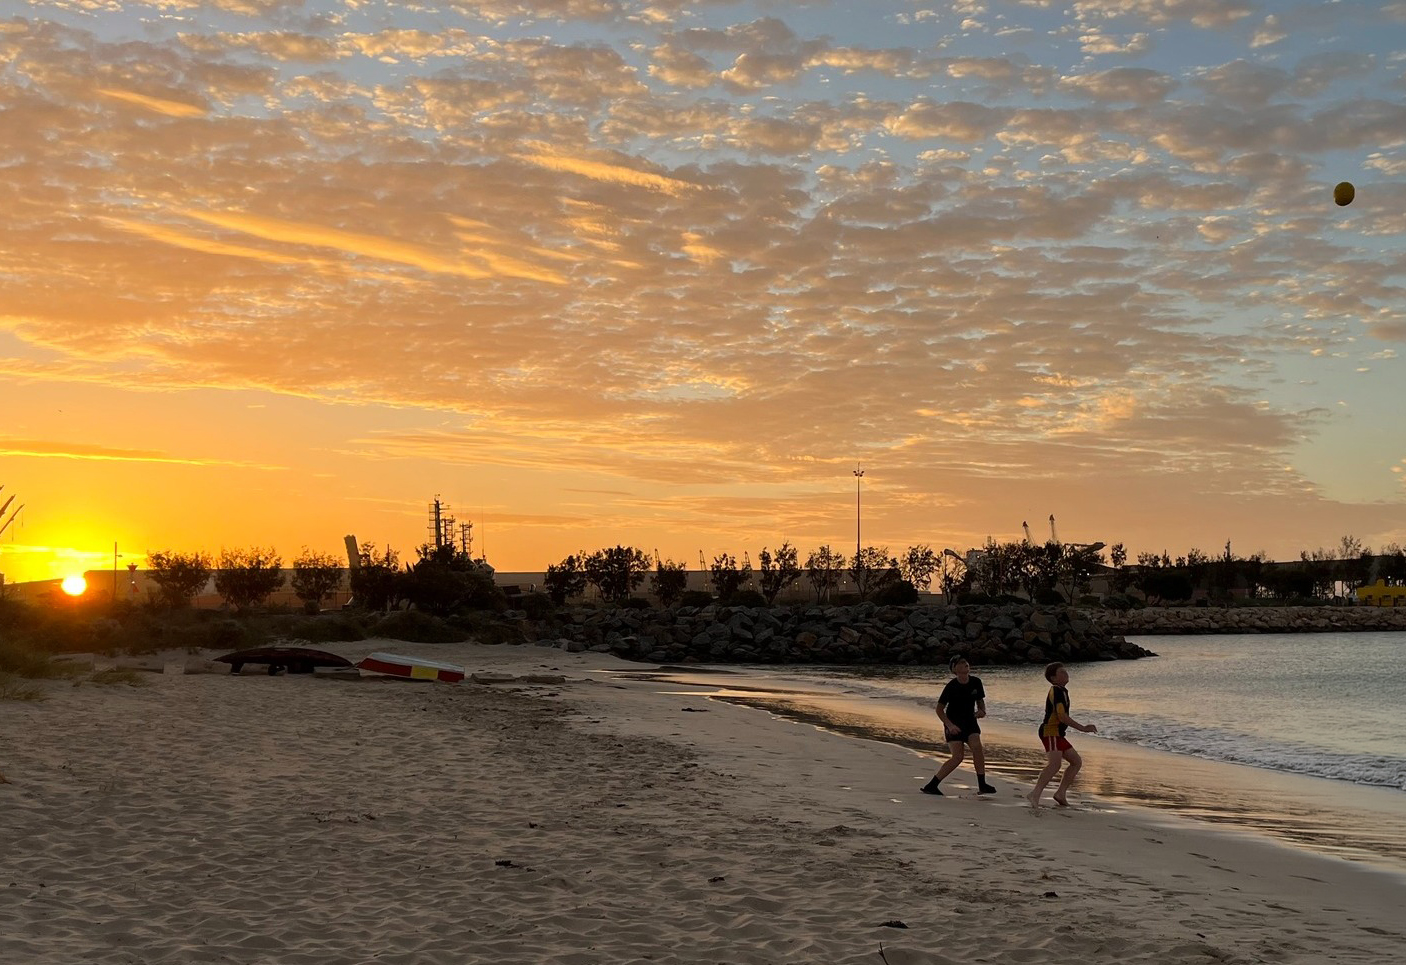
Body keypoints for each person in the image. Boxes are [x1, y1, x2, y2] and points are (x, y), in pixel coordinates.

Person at [920, 655, 997, 796]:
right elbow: (939, 709)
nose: (965, 664)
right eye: (960, 663)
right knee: (957, 757)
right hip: (953, 723)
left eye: (966, 663)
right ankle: (932, 785)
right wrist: (949, 726)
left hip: (970, 722)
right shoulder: (951, 686)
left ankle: (982, 785)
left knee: (977, 748)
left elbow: (980, 701)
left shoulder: (976, 682)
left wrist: (982, 711)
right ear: (954, 669)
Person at [1027, 661, 1097, 809]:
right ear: (1053, 678)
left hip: (1058, 734)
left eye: (1066, 671)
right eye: (1062, 672)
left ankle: (1060, 793)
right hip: (1050, 731)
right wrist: (1083, 728)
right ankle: (1035, 793)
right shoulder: (1056, 691)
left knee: (1076, 761)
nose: (1066, 674)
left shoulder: (1062, 690)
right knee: (1055, 764)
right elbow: (1062, 716)